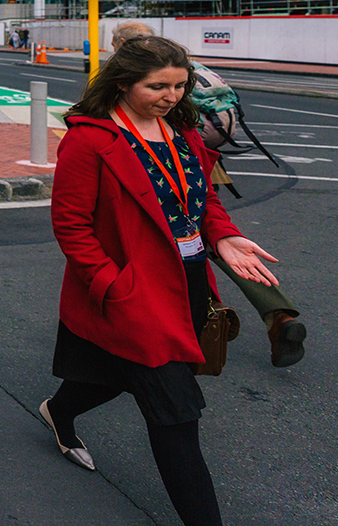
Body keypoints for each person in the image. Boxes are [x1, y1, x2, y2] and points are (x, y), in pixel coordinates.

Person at [43, 35, 280, 526]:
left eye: (180, 84)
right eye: (158, 86)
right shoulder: (91, 140)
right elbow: (72, 226)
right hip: (135, 292)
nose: (172, 96)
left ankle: (58, 412)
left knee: (114, 376)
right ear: (124, 82)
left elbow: (202, 202)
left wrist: (225, 238)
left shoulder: (184, 130)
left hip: (187, 281)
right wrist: (113, 285)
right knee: (177, 414)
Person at [111, 22, 306, 367]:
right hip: (198, 157)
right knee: (215, 237)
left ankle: (189, 316)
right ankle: (278, 314)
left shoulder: (131, 82)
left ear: (122, 47)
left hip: (157, 170)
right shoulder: (184, 64)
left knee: (192, 240)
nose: (170, 94)